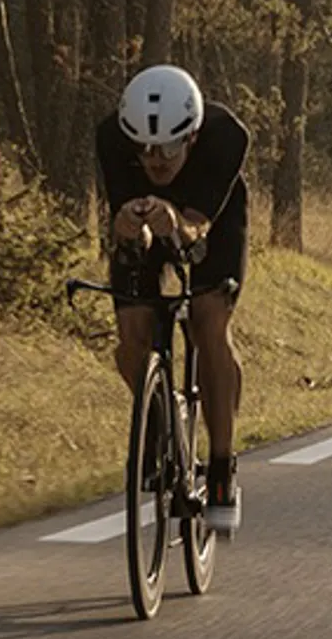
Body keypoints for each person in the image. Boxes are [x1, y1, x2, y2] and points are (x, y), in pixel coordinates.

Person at [95, 63, 250, 533]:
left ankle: (221, 467)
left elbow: (198, 232)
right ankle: (158, 421)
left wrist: (177, 224)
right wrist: (129, 232)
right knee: (132, 339)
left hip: (210, 223)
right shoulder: (111, 139)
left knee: (207, 322)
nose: (155, 161)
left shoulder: (226, 138)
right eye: (143, 149)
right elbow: (133, 240)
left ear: (193, 136)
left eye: (166, 149)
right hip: (145, 220)